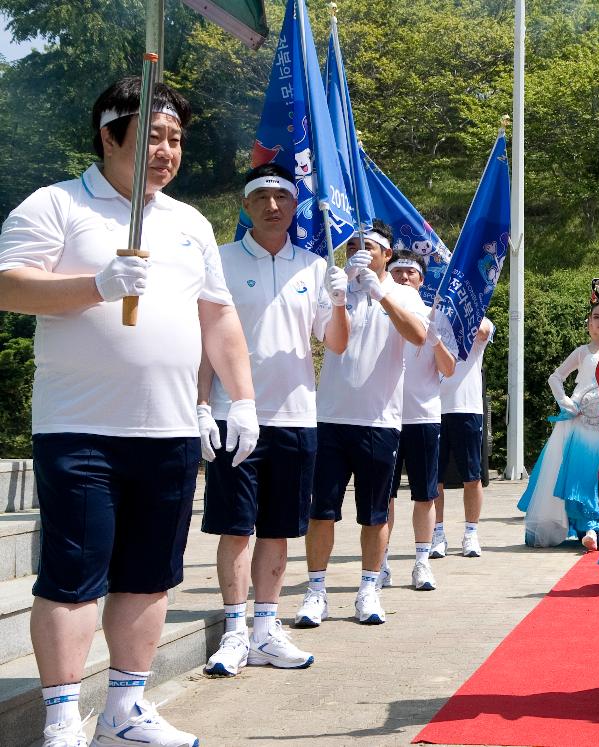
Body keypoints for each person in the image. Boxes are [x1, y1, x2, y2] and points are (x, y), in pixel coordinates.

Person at [0, 77, 255, 747]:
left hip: (169, 428)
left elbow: (219, 317)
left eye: (175, 138)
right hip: (81, 427)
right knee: (74, 574)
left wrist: (243, 398)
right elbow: (8, 285)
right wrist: (96, 283)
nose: (166, 150)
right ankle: (61, 716)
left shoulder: (189, 223)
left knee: (150, 573)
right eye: (152, 136)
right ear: (110, 135)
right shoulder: (56, 205)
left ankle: (125, 709)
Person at [198, 164, 352, 678]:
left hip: (294, 417)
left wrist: (340, 301)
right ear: (245, 205)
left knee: (279, 529)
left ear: (293, 206)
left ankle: (267, 627)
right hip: (231, 414)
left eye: (280, 197)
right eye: (260, 196)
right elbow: (205, 344)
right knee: (236, 527)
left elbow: (335, 343)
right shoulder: (218, 262)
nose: (271, 205)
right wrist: (200, 405)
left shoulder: (311, 266)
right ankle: (236, 631)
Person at [295, 221, 429, 628]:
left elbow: (419, 335)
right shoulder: (336, 286)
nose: (359, 251)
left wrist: (380, 291)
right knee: (321, 512)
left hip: (379, 420)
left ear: (387, 254)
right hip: (330, 417)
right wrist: (342, 292)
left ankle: (368, 589)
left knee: (374, 515)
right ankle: (316, 591)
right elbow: (326, 339)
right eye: (353, 244)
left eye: (368, 245)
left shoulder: (403, 291)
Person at [520, 280, 599, 549]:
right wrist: (567, 402)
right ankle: (589, 527)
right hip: (582, 424)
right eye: (596, 317)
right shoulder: (582, 352)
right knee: (584, 473)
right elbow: (555, 377)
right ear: (588, 323)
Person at [386, 250, 456, 591]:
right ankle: (380, 562)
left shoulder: (437, 316)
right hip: (383, 416)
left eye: (410, 273)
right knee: (383, 496)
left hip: (424, 416)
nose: (402, 277)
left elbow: (448, 368)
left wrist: (435, 338)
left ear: (421, 279)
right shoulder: (380, 309)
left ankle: (421, 562)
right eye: (396, 271)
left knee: (425, 494)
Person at [433, 316, 495, 558]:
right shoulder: (428, 315)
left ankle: (471, 533)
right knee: (434, 478)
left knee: (472, 475)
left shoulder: (476, 315)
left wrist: (460, 306)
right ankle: (437, 534)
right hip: (431, 408)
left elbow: (482, 332)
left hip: (466, 407)